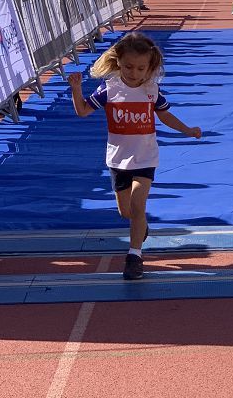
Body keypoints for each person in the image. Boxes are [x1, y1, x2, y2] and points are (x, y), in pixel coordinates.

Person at [67, 33, 202, 280]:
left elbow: (164, 115)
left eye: (141, 68)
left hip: (145, 158)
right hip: (118, 160)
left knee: (139, 205)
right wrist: (76, 90)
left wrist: (187, 129)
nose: (134, 73)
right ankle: (141, 228)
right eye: (128, 66)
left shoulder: (151, 90)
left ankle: (134, 256)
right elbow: (83, 111)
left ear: (150, 68)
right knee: (127, 212)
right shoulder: (110, 89)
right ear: (118, 62)